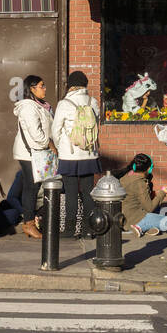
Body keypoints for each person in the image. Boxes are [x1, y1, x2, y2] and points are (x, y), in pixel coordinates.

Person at [52, 70, 101, 239]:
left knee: (71, 192)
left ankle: (70, 230)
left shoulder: (64, 103)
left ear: (70, 85)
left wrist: (61, 147)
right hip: (89, 154)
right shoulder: (93, 101)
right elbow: (96, 127)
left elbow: (55, 130)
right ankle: (89, 229)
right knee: (88, 192)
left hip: (69, 155)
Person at [11, 74, 53, 240]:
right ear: (32, 88)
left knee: (33, 187)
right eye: (41, 86)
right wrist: (48, 143)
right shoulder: (28, 107)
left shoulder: (40, 105)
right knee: (31, 187)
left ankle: (30, 222)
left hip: (36, 152)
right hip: (30, 153)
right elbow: (36, 133)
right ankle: (28, 224)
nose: (44, 89)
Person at [116, 156, 167, 236]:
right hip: (135, 218)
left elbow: (136, 197)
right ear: (149, 169)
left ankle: (146, 228)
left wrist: (155, 194)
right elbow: (149, 208)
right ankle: (140, 227)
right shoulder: (140, 183)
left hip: (125, 217)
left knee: (161, 209)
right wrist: (162, 193)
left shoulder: (125, 177)